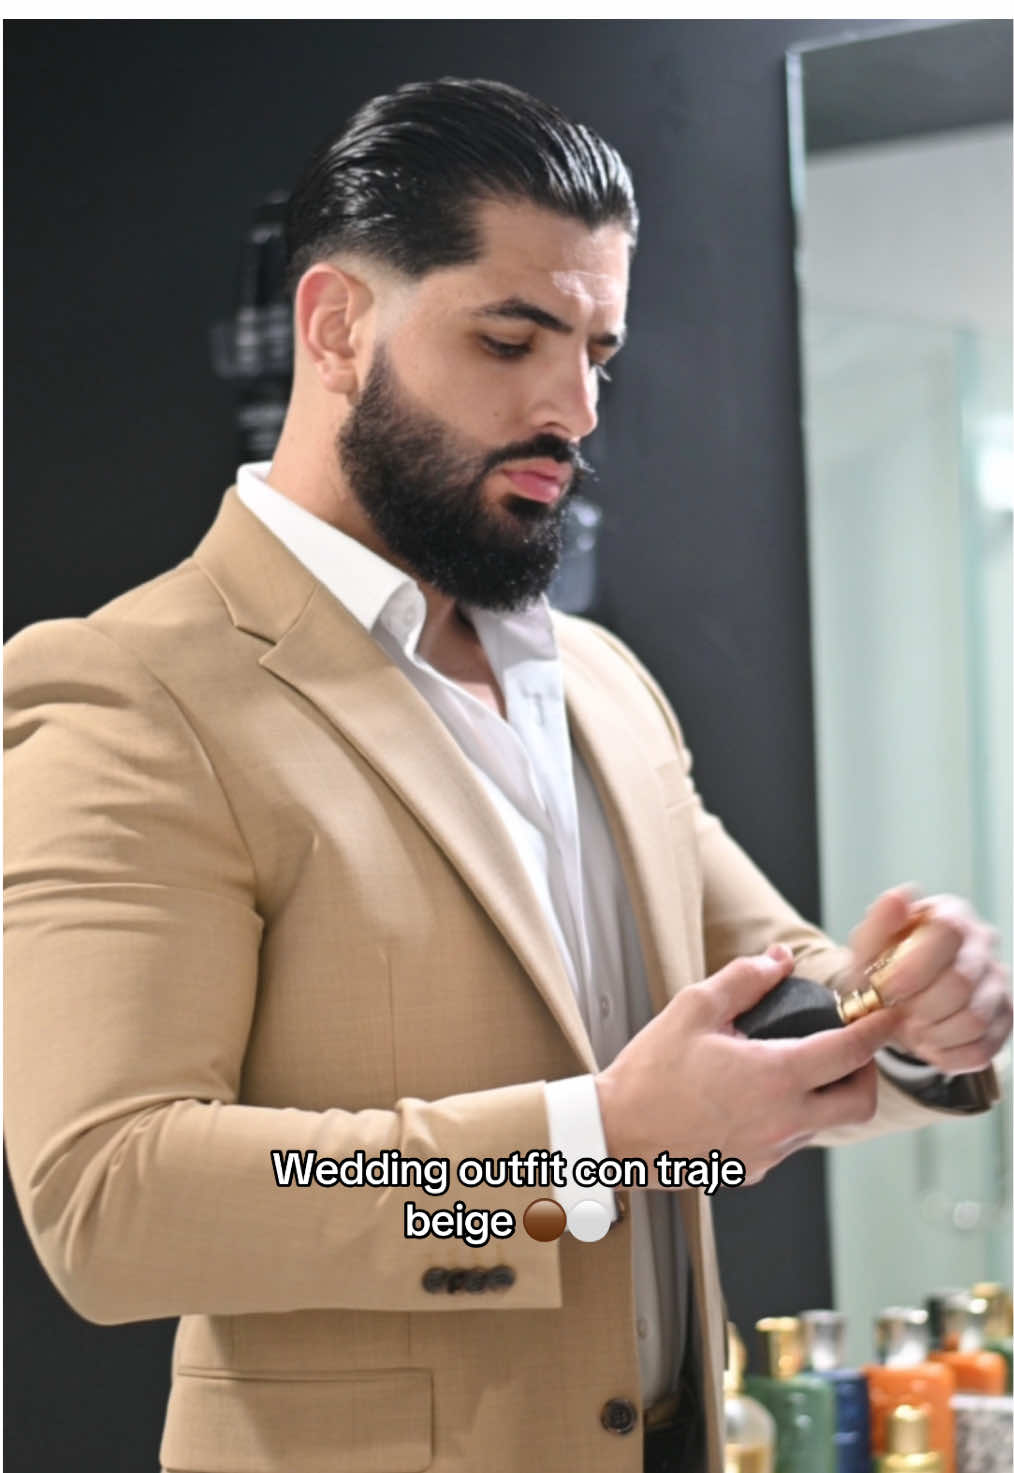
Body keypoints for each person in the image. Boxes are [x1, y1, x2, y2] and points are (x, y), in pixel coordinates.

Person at [4, 78, 1010, 1473]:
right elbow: (110, 1204)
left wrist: (904, 1009)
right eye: (511, 336)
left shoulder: (597, 681)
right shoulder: (135, 687)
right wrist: (590, 1142)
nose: (572, 405)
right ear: (335, 325)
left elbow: (771, 995)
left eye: (597, 347)